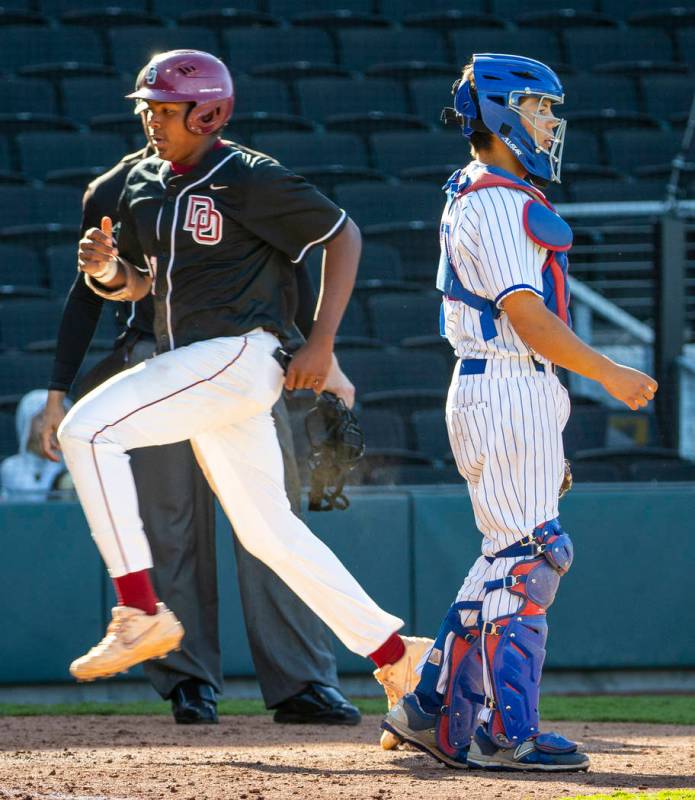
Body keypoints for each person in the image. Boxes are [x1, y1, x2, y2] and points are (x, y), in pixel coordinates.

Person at [56, 49, 424, 700]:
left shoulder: (249, 175)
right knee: (267, 531)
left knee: (87, 431)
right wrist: (107, 272)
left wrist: (321, 343)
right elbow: (143, 288)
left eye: (168, 110)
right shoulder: (147, 184)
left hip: (237, 353)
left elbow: (344, 236)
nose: (153, 121)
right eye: (149, 109)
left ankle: (140, 610)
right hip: (199, 366)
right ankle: (398, 655)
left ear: (211, 112)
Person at [381, 54, 658, 771]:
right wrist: (610, 374)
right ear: (501, 113)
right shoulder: (498, 199)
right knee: (532, 557)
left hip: (506, 388)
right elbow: (528, 319)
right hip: (506, 380)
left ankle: (429, 708)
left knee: (506, 557)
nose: (548, 122)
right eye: (537, 109)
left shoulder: (482, 191)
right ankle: (508, 733)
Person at [1, 390, 68, 502]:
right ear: (26, 422)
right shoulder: (10, 467)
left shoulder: (73, 467)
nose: (49, 425)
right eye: (41, 417)